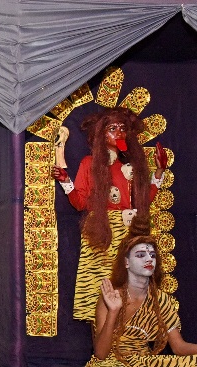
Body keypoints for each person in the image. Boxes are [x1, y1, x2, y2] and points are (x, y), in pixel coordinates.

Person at [85, 223, 197, 367]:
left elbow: (179, 347)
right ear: (126, 262)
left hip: (147, 365)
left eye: (152, 255)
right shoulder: (111, 297)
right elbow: (100, 354)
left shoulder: (161, 300)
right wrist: (113, 311)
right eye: (140, 255)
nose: (149, 259)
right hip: (114, 366)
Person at [51, 107, 168, 321]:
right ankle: (102, 347)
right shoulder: (90, 164)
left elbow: (144, 201)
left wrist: (159, 171)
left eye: (123, 128)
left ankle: (124, 341)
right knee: (98, 290)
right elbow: (80, 203)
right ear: (100, 133)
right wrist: (65, 180)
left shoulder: (133, 167)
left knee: (127, 287)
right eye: (112, 128)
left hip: (128, 234)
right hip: (100, 234)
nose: (119, 133)